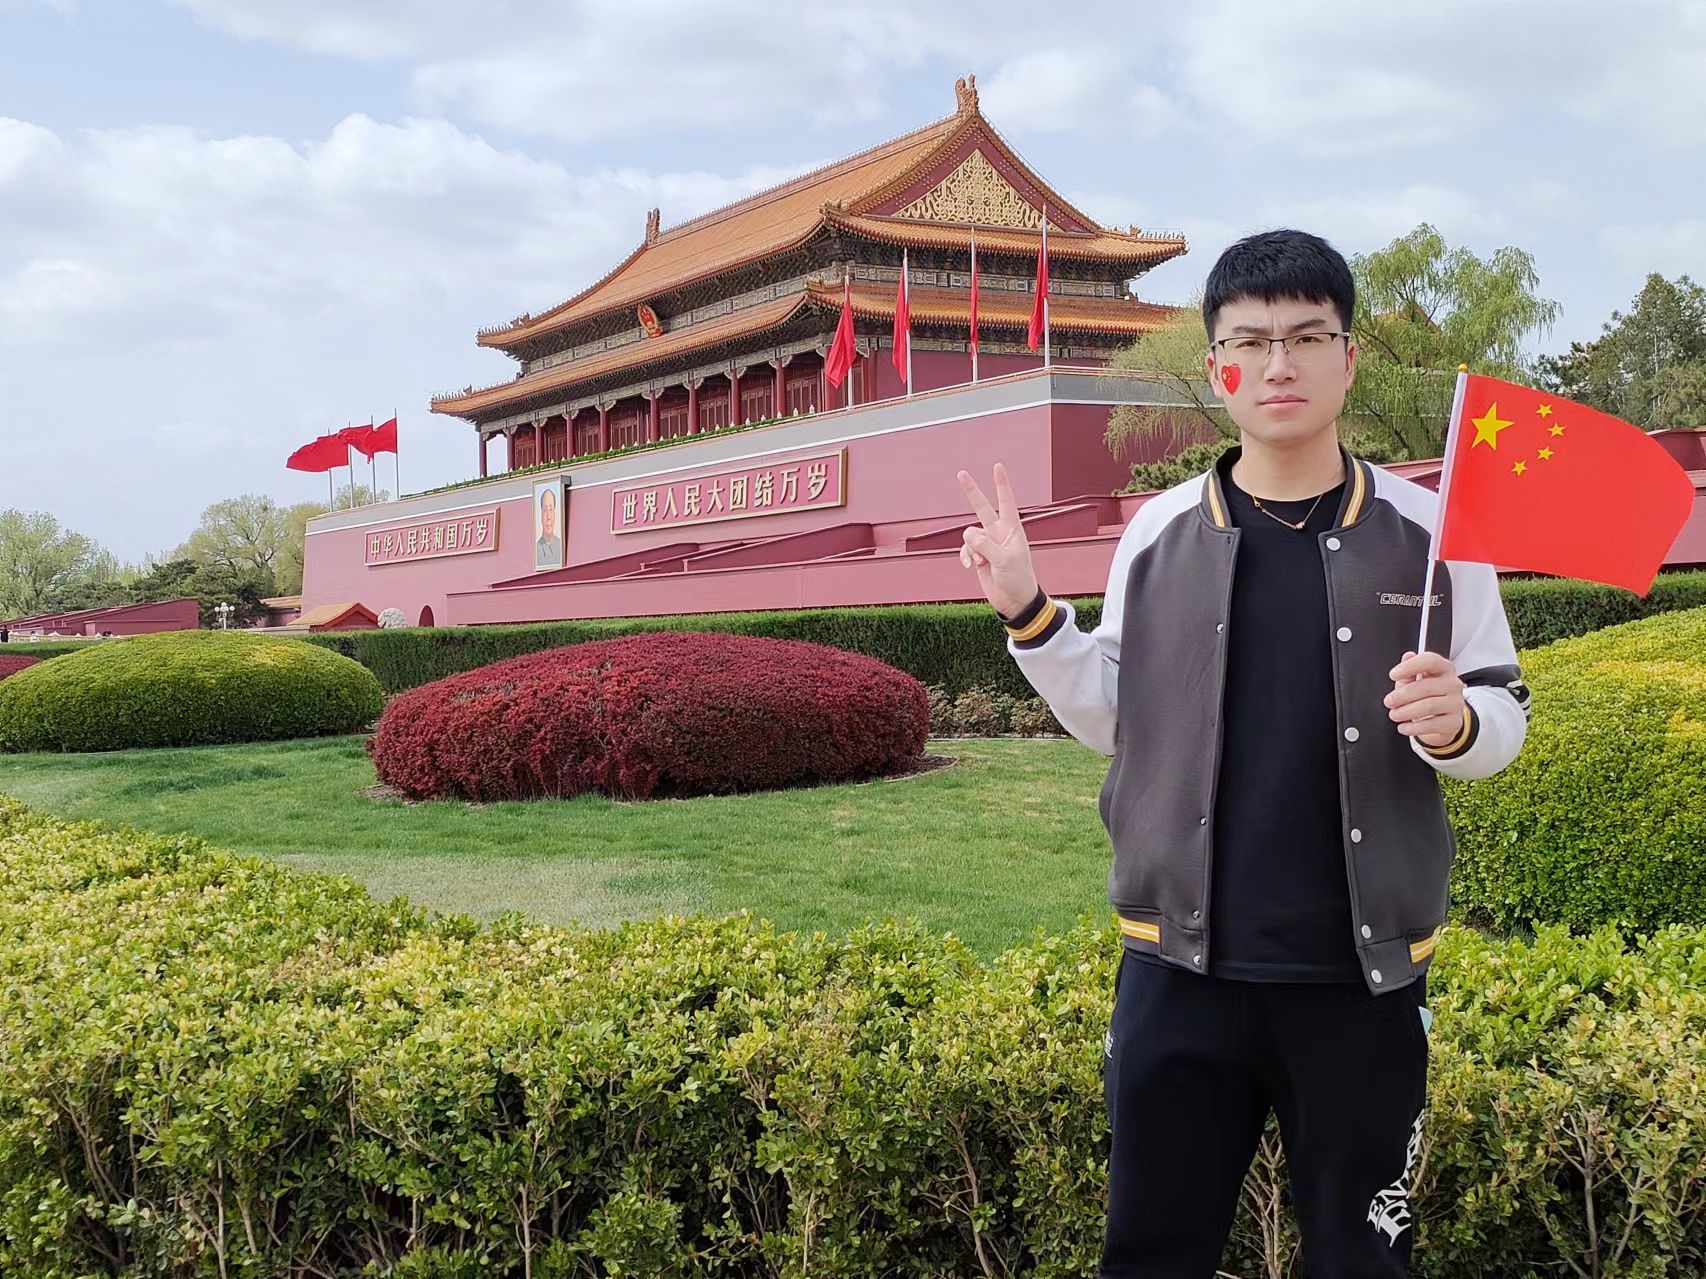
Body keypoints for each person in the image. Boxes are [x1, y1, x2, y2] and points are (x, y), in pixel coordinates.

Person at [957, 229, 1531, 1278]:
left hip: (1359, 976)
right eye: (1250, 342)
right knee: (1150, 1253)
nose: (1278, 365)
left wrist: (1457, 723)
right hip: (1177, 969)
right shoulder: (1160, 532)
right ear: (1216, 365)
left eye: (1307, 338)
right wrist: (1029, 612)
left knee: (1362, 1261)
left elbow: (1503, 709)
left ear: (1349, 358)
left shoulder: (1432, 534)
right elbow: (1124, 719)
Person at [535, 486, 563, 567]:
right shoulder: (536, 549)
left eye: (551, 510)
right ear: (541, 514)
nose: (548, 517)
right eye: (545, 510)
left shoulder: (561, 545)